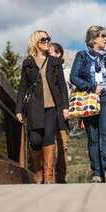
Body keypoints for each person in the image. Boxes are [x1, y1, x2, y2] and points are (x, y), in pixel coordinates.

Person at [16, 30, 69, 184]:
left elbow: (62, 87)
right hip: (34, 107)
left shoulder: (55, 62)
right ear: (35, 43)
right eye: (43, 39)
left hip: (53, 106)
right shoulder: (28, 62)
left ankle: (48, 175)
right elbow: (22, 87)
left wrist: (65, 106)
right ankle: (38, 169)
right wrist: (19, 109)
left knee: (48, 138)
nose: (47, 41)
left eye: (48, 39)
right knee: (35, 140)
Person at [70, 25, 106, 183]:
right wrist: (91, 87)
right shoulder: (82, 56)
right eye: (102, 36)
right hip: (89, 98)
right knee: (93, 137)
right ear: (93, 39)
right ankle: (96, 173)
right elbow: (74, 77)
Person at [48, 42, 69, 184]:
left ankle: (60, 178)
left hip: (61, 110)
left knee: (63, 145)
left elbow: (64, 89)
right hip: (48, 110)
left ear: (58, 54)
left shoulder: (65, 70)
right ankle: (49, 176)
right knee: (48, 142)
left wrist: (66, 107)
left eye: (51, 52)